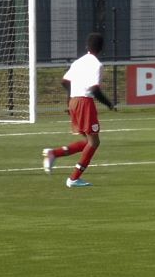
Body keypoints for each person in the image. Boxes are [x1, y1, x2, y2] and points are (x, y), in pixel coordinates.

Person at [42, 32, 116, 188]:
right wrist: (109, 104)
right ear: (102, 48)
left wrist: (69, 99)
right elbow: (95, 90)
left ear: (86, 46)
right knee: (94, 143)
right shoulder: (97, 64)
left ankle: (54, 153)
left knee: (88, 142)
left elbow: (64, 81)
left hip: (74, 102)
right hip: (84, 102)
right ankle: (74, 178)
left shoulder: (78, 62)